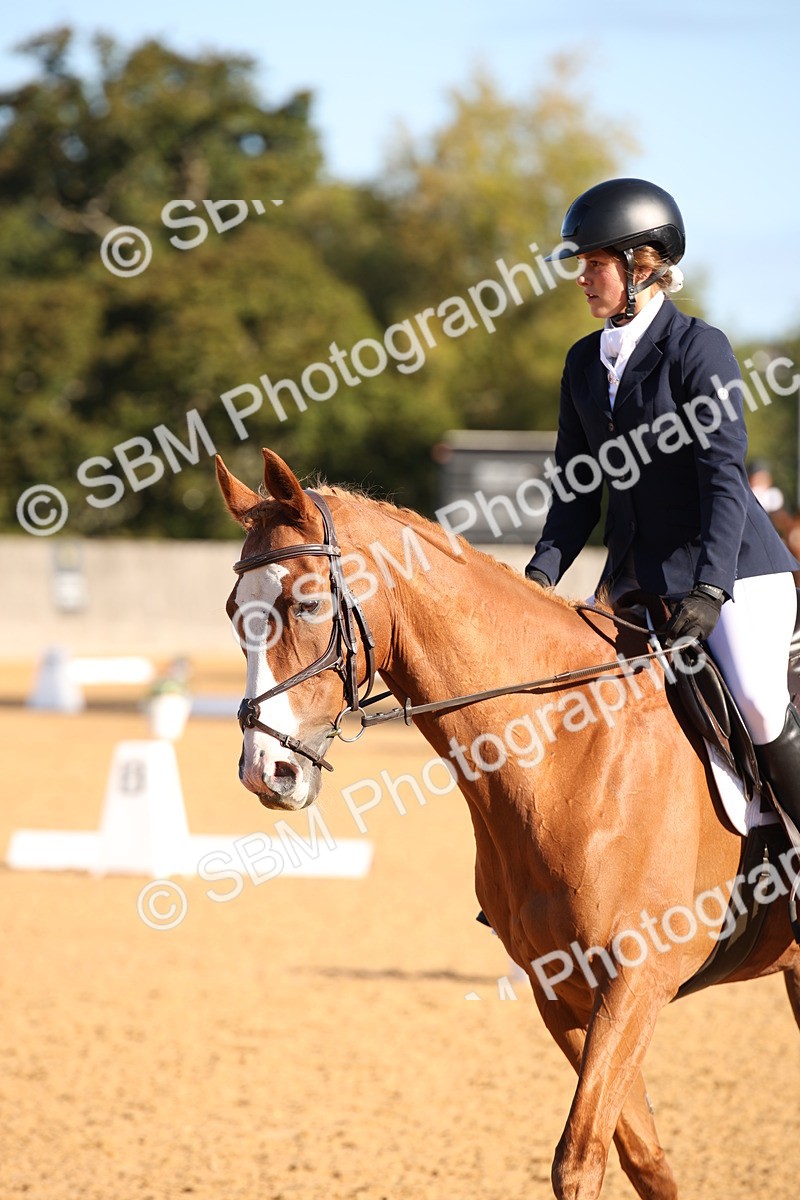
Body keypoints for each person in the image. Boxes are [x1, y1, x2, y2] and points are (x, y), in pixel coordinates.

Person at [524, 178, 800, 838]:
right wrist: (535, 580)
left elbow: (723, 479)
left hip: (734, 573)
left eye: (595, 263)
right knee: (576, 699)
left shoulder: (698, 349)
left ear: (643, 265)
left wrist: (710, 588)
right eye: (582, 265)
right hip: (637, 578)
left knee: (760, 706)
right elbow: (575, 490)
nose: (583, 278)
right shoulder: (583, 363)